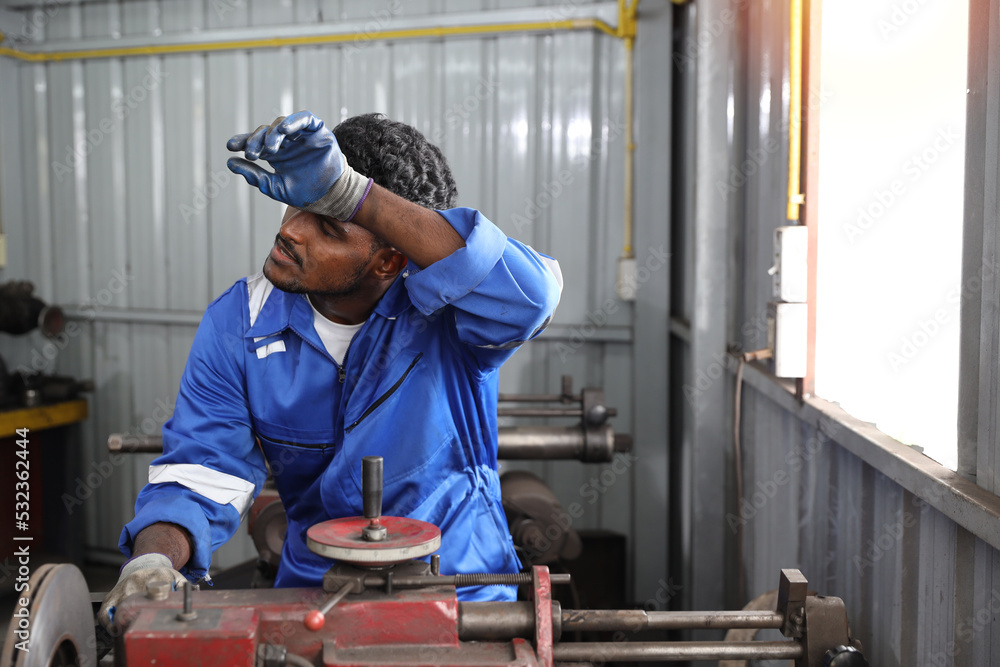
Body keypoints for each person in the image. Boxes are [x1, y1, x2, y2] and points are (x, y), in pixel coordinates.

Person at [98, 111, 562, 627]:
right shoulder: (241, 322)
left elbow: (532, 296)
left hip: (463, 601)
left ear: (389, 262)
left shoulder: (451, 317)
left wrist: (354, 194)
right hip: (314, 600)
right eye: (298, 204)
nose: (291, 231)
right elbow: (202, 471)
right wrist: (153, 559)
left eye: (329, 224)